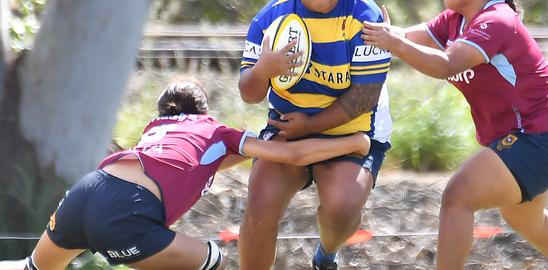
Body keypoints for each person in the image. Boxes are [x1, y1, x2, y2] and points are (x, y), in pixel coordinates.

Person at [361, 0, 548, 270]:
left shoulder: (497, 19)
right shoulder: (455, 20)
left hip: (539, 140)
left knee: (458, 196)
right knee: (527, 220)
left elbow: (445, 65)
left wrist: (394, 42)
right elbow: (404, 36)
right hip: (529, 140)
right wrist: (366, 32)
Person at [18, 77, 370, 270]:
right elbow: (292, 154)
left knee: (33, 269)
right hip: (127, 210)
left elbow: (198, 164)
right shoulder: (214, 130)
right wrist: (354, 141)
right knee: (210, 259)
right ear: (204, 110)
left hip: (88, 190)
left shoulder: (155, 128)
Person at [238, 0, 391, 270]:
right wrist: (263, 69)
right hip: (287, 129)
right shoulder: (270, 18)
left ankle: (327, 253)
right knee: (260, 205)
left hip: (349, 135)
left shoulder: (364, 18)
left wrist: (310, 124)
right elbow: (249, 94)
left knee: (343, 206)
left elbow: (363, 98)